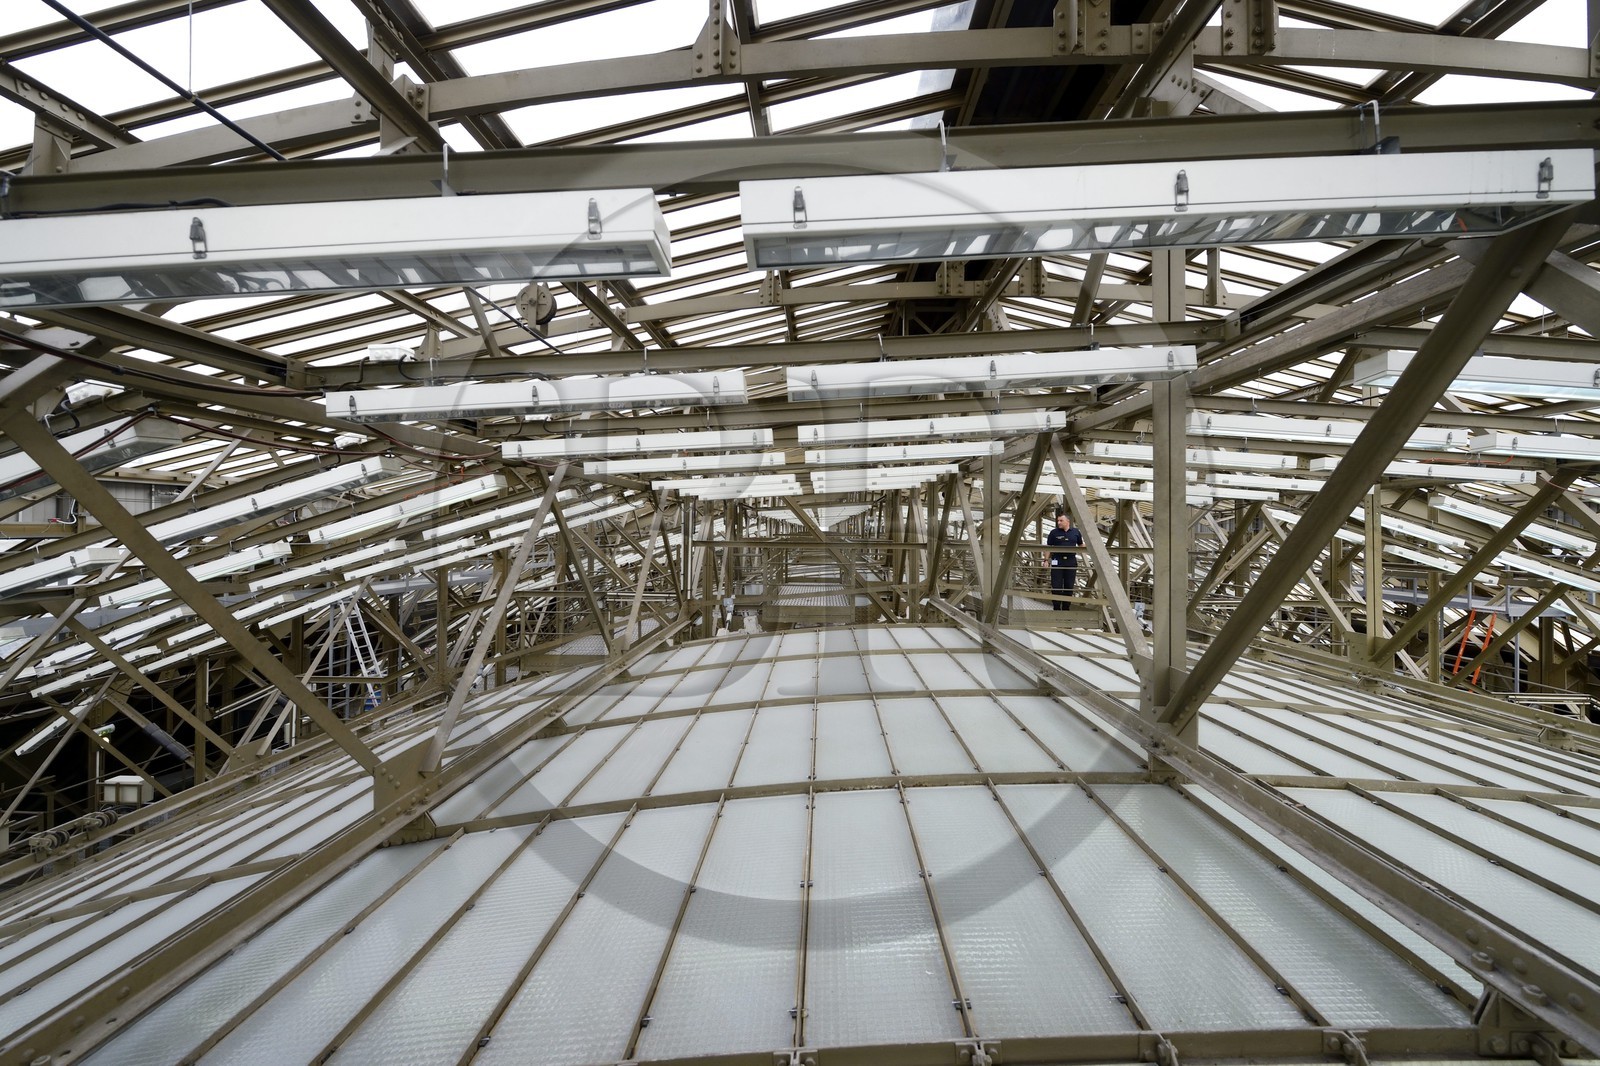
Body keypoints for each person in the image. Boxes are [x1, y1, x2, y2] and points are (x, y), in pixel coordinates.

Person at [1045, 512, 1083, 610]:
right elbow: (1049, 547)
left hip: (1071, 563)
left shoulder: (1076, 532)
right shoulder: (1054, 533)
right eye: (1058, 520)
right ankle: (1056, 608)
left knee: (1069, 587)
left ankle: (1066, 608)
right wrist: (1046, 560)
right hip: (1057, 562)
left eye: (1061, 520)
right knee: (1056, 586)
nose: (1059, 522)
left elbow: (1081, 545)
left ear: (1068, 521)